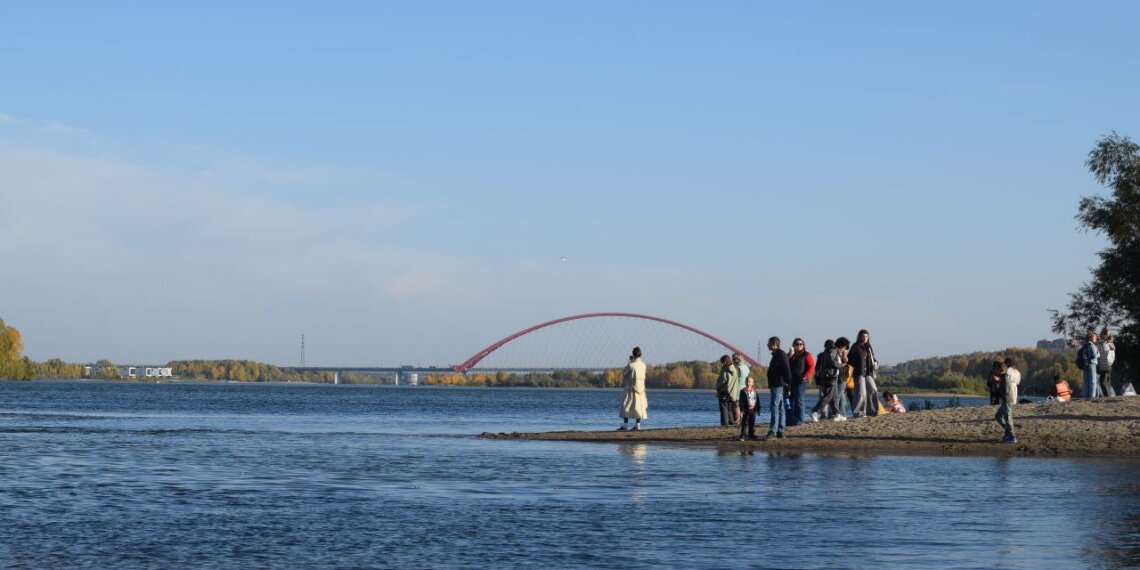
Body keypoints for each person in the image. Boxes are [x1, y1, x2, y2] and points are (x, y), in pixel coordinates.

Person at [848, 330, 881, 417]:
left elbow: (873, 358)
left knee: (873, 389)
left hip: (868, 372)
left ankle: (873, 411)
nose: (865, 338)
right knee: (861, 393)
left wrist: (876, 363)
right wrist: (856, 365)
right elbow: (849, 359)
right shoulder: (855, 346)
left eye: (866, 336)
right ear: (860, 337)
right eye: (863, 336)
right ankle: (859, 412)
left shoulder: (869, 347)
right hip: (859, 372)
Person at [810, 339, 845, 422]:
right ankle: (814, 411)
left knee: (834, 397)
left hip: (830, 377)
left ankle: (836, 414)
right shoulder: (832, 350)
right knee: (828, 396)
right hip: (830, 377)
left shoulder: (825, 353)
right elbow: (831, 362)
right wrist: (841, 365)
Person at [765, 337, 791, 439]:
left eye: (768, 343)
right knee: (779, 407)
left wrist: (788, 386)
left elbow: (787, 371)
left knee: (775, 407)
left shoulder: (780, 354)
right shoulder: (777, 354)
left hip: (778, 384)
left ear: (774, 344)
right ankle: (780, 430)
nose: (767, 345)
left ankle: (773, 431)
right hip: (776, 384)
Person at [618, 347, 647, 430]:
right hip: (641, 389)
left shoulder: (631, 365)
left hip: (631, 389)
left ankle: (625, 425)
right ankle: (638, 425)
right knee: (639, 406)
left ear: (633, 354)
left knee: (626, 405)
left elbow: (624, 372)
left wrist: (630, 362)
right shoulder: (644, 365)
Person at [787, 338, 815, 426]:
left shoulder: (806, 355)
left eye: (800, 344)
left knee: (799, 400)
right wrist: (789, 356)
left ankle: (799, 420)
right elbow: (784, 365)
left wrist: (806, 376)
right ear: (793, 345)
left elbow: (811, 366)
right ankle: (790, 420)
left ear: (803, 345)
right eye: (797, 344)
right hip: (791, 381)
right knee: (790, 401)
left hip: (801, 381)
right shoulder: (790, 355)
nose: (799, 345)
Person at [993, 361, 1017, 443]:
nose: (995, 371)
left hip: (1007, 400)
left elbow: (1006, 389)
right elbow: (1003, 380)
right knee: (998, 416)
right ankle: (1008, 431)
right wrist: (998, 380)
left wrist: (999, 386)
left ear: (1000, 370)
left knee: (1008, 418)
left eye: (996, 369)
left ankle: (1012, 436)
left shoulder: (1006, 377)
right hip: (1005, 400)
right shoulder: (1004, 377)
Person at [715, 355, 740, 426]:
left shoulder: (725, 370)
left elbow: (722, 381)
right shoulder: (735, 369)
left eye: (722, 362)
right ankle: (731, 423)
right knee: (729, 409)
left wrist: (717, 386)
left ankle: (724, 424)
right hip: (733, 393)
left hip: (724, 392)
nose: (722, 364)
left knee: (724, 409)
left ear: (725, 362)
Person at [835, 336, 854, 416]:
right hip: (842, 375)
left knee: (841, 395)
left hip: (844, 376)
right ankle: (840, 413)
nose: (844, 349)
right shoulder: (836, 352)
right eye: (844, 347)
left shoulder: (842, 352)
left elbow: (846, 361)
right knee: (840, 395)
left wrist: (845, 357)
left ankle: (841, 413)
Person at [738, 376, 760, 440]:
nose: (748, 383)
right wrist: (742, 410)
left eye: (749, 381)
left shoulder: (755, 391)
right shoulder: (743, 391)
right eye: (747, 381)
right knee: (745, 422)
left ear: (752, 383)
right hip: (746, 410)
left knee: (752, 422)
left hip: (753, 409)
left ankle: (751, 434)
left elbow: (758, 400)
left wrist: (758, 408)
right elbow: (741, 401)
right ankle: (743, 434)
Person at [1080, 332, 1100, 398]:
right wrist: (1098, 353)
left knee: (1086, 381)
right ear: (1091, 338)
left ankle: (1085, 394)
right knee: (1093, 380)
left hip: (1085, 364)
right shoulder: (1092, 345)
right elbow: (1094, 356)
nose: (1096, 338)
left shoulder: (1085, 345)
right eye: (1095, 337)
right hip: (1092, 364)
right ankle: (1092, 395)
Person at [732, 353, 750, 425]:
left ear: (739, 359)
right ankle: (742, 420)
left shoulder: (737, 368)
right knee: (742, 406)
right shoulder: (746, 367)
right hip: (745, 389)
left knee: (736, 406)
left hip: (737, 389)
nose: (733, 360)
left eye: (734, 359)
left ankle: (737, 420)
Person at [1098, 329, 1116, 397]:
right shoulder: (1110, 344)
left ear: (1105, 335)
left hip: (1105, 365)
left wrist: (1099, 345)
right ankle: (1109, 396)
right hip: (1108, 365)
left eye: (1101, 334)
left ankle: (1107, 396)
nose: (1100, 335)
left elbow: (1104, 351)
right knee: (1107, 382)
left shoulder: (1105, 344)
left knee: (1102, 382)